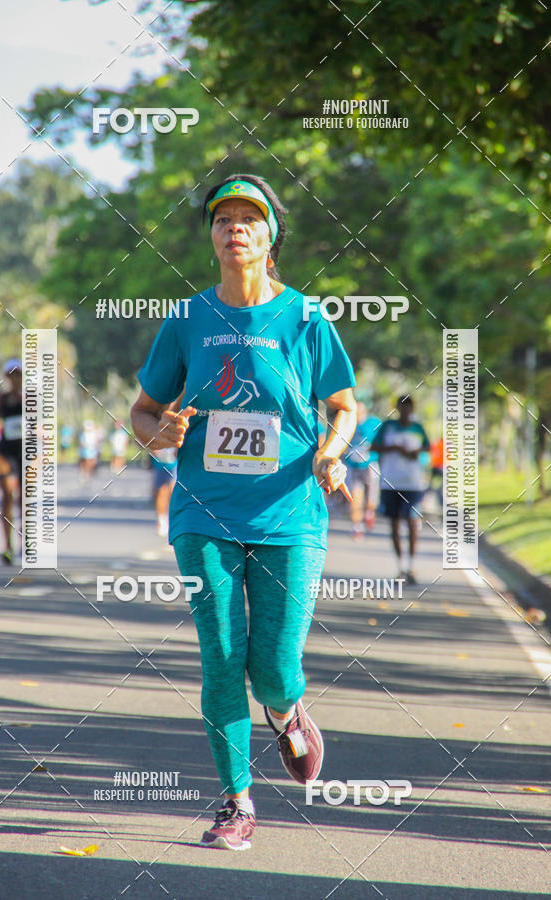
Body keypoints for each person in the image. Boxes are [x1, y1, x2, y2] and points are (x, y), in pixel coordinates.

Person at [131, 174, 357, 851]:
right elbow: (144, 410)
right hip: (203, 513)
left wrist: (331, 453)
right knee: (222, 656)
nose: (235, 227)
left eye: (249, 219)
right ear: (211, 238)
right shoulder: (188, 319)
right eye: (223, 218)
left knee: (275, 666)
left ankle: (286, 711)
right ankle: (237, 802)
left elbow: (344, 407)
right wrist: (157, 433)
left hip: (290, 512)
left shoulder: (306, 319)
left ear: (270, 238)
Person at [371, 395, 430, 584]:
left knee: (412, 521)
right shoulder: (388, 426)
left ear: (412, 408)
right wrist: (394, 448)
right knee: (394, 524)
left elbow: (427, 448)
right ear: (397, 407)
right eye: (402, 406)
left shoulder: (417, 428)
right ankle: (401, 566)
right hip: (390, 482)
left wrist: (416, 453)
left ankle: (411, 565)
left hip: (413, 483)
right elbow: (374, 447)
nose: (405, 410)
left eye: (408, 407)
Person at [0, 359, 23, 565]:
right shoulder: (1, 400)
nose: (15, 378)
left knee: (24, 500)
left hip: (26, 452)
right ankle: (7, 546)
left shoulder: (31, 398)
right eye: (11, 375)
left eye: (18, 374)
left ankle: (24, 543)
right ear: (6, 377)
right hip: (6, 452)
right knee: (7, 496)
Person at [343, 401, 381, 537]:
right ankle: (357, 527)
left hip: (370, 465)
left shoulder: (374, 423)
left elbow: (382, 441)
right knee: (355, 496)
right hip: (352, 466)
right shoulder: (347, 423)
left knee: (371, 500)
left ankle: (370, 512)